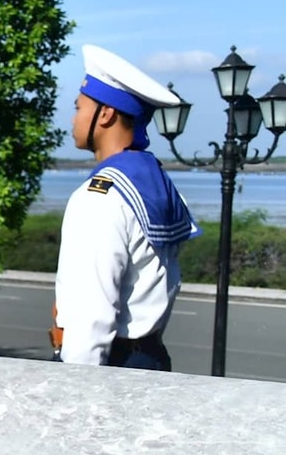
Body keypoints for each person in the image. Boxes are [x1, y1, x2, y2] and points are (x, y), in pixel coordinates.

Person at [54, 45, 200, 370]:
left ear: (105, 114)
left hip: (113, 366)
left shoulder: (98, 198)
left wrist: (73, 393)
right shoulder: (155, 182)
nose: (74, 118)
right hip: (151, 357)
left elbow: (92, 316)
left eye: (79, 107)